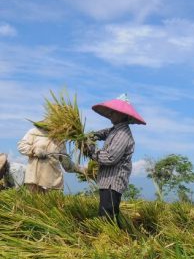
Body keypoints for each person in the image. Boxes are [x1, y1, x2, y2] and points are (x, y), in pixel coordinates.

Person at [85, 94, 146, 223]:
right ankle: (112, 238)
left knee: (107, 216)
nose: (111, 114)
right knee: (108, 214)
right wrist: (93, 135)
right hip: (107, 181)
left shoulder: (122, 134)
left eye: (115, 112)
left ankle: (110, 239)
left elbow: (109, 157)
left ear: (123, 115)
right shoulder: (115, 130)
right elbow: (105, 133)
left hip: (113, 182)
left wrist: (91, 152)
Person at [17, 122, 84, 193]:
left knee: (53, 203)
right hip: (34, 180)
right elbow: (21, 146)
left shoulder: (60, 139)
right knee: (33, 202)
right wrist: (34, 149)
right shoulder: (35, 132)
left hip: (53, 183)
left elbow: (67, 165)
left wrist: (82, 170)